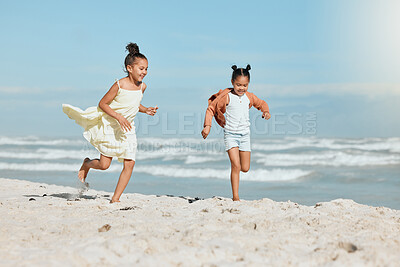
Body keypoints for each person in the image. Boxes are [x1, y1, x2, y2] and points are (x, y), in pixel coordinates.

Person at [62, 43, 158, 203]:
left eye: (146, 69)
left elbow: (133, 104)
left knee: (130, 164)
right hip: (111, 127)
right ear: (129, 68)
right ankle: (87, 164)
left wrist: (145, 109)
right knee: (104, 165)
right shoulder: (119, 85)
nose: (144, 72)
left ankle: (115, 199)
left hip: (128, 129)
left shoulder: (142, 87)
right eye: (141, 68)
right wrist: (119, 117)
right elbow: (103, 104)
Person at [201, 65, 270, 201]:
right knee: (235, 165)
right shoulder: (227, 97)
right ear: (232, 82)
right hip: (231, 135)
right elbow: (211, 109)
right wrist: (207, 126)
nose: (241, 88)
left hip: (245, 136)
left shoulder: (249, 97)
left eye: (244, 85)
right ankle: (236, 197)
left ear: (248, 84)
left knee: (245, 168)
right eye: (238, 85)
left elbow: (261, 103)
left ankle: (236, 192)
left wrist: (265, 111)